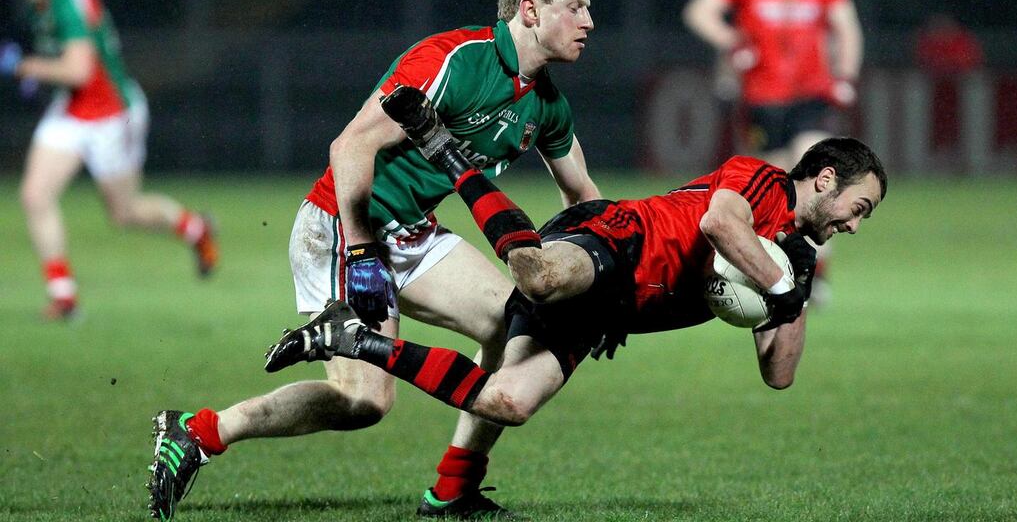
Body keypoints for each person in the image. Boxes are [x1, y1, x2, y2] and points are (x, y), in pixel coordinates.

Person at [147, 0, 599, 520]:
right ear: (531, 11)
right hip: (342, 224)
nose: (589, 21)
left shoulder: (546, 104)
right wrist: (360, 249)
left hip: (411, 233)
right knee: (363, 401)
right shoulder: (455, 60)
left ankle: (454, 487)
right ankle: (200, 431)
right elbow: (350, 146)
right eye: (576, 7)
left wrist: (600, 277)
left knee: (517, 324)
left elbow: (584, 199)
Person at [266, 132, 886, 443]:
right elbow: (719, 224)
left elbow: (777, 375)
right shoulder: (763, 182)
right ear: (826, 179)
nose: (855, 227)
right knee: (535, 278)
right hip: (617, 238)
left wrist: (795, 292)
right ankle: (451, 157)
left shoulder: (791, 262)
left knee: (508, 403)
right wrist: (780, 280)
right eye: (858, 208)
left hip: (614, 305)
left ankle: (361, 345)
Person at [1, 0, 218, 321]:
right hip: (72, 111)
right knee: (35, 195)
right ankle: (64, 295)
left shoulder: (66, 0)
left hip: (111, 114)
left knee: (125, 212)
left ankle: (195, 228)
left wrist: (25, 67)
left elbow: (79, 71)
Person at [682, 0, 864, 305]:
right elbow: (699, 12)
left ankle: (816, 272)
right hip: (761, 98)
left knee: (819, 171)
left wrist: (846, 76)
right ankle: (778, 269)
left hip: (812, 94)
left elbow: (847, 27)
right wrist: (733, 41)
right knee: (776, 188)